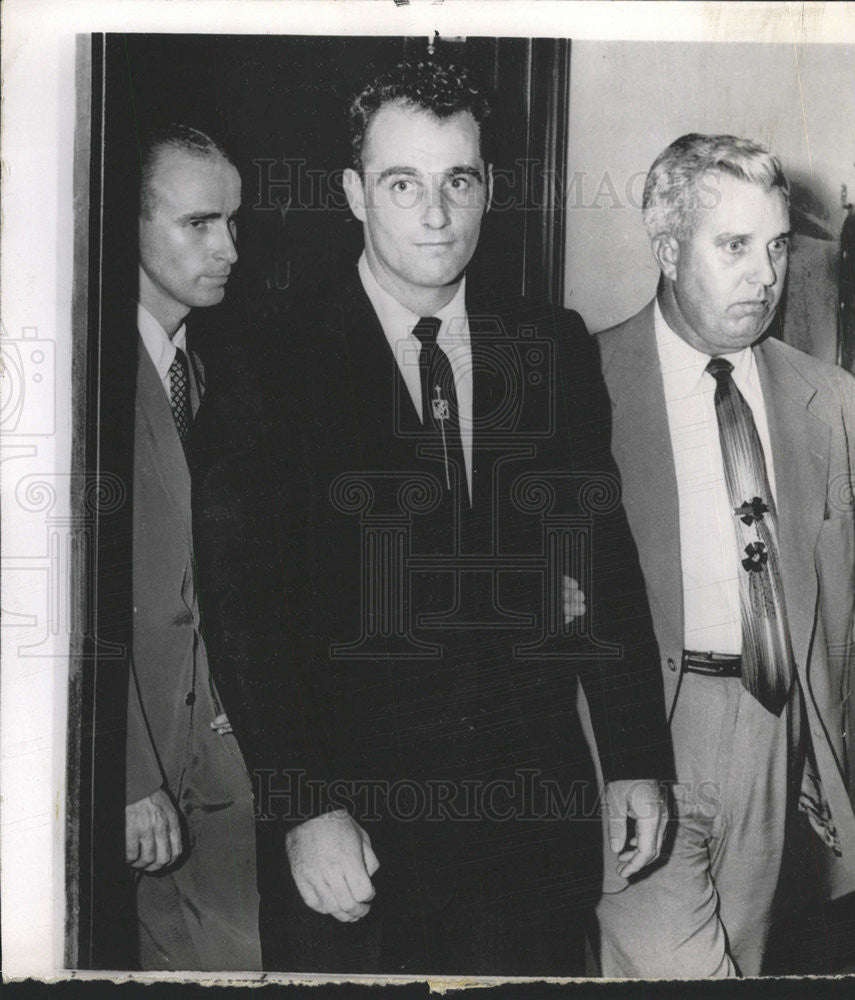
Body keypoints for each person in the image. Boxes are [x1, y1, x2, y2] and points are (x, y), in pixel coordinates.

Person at [191, 60, 673, 976]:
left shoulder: (551, 346)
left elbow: (600, 565)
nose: (436, 213)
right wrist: (305, 806)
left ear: (487, 188)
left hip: (526, 833)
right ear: (352, 194)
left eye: (459, 180)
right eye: (401, 183)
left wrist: (636, 757)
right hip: (358, 840)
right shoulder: (268, 361)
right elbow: (246, 610)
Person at [595, 133, 855, 977]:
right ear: (668, 246)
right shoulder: (587, 382)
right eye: (734, 246)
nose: (765, 275)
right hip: (642, 735)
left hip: (776, 730)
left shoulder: (827, 398)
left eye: (777, 245)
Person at [124, 124, 260, 970]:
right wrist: (129, 775)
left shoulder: (203, 377)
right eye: (200, 225)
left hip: (217, 767)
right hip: (135, 769)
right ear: (129, 226)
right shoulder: (88, 378)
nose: (230, 249)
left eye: (234, 223)